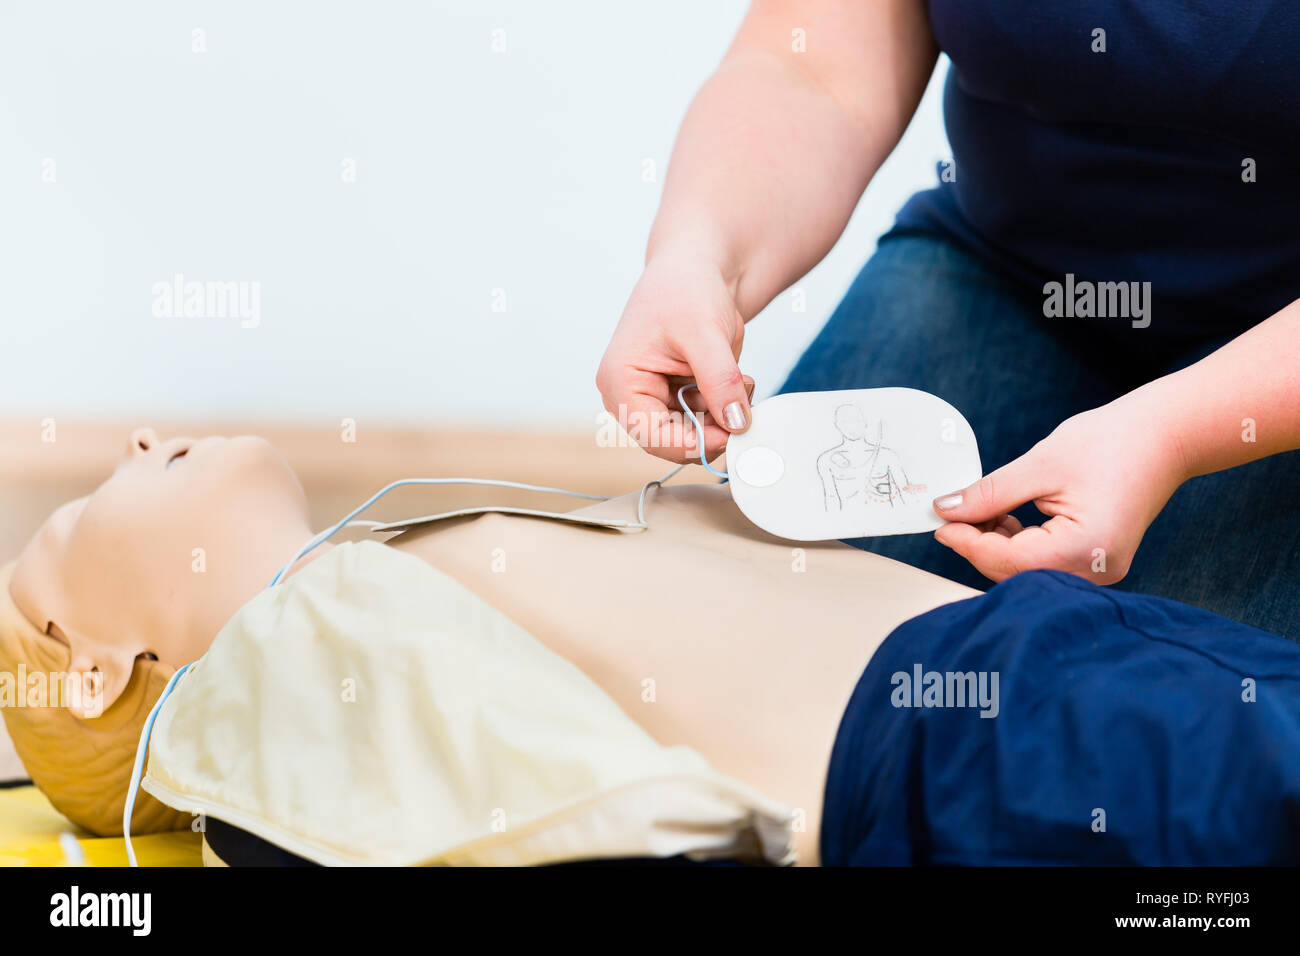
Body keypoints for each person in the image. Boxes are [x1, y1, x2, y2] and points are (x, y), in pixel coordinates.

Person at [4, 428, 1300, 865]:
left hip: (1041, 654)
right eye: (76, 518)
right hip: (967, 755)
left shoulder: (356, 574)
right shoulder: (277, 696)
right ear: (95, 660)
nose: (130, 447)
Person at [595, 0, 1300, 638]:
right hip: (1009, 265)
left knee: (1160, 714)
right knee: (744, 630)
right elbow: (812, 67)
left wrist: (1172, 432)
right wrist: (699, 253)